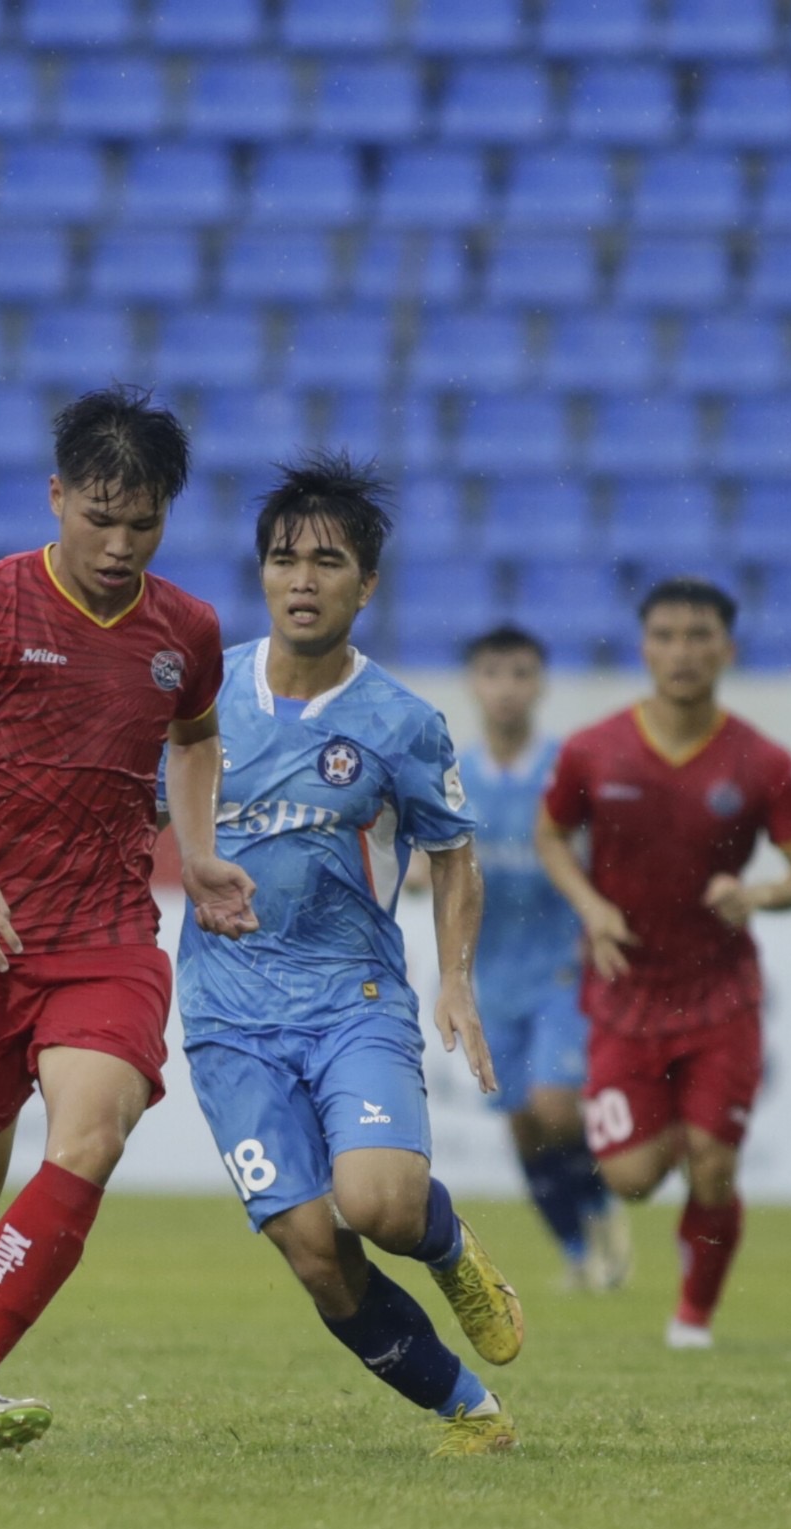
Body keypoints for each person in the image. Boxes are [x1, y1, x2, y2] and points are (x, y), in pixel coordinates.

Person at [0, 386, 257, 1453]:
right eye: (99, 518)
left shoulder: (187, 631)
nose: (120, 546)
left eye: (144, 524)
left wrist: (197, 851)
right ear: (57, 494)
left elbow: (196, 737)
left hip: (107, 933)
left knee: (94, 1130)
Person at [177, 452, 525, 1457]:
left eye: (327, 561)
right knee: (315, 1254)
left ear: (365, 585)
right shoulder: (200, 702)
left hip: (350, 997)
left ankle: (447, 1244)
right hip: (226, 1012)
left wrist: (455, 980)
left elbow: (456, 858)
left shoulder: (401, 724)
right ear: (261, 574)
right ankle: (469, 1411)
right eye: (284, 558)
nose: (302, 578)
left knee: (377, 1204)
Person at [534, 578, 791, 1349]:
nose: (682, 651)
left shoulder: (762, 762)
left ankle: (693, 1314)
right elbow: (549, 837)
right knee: (631, 1179)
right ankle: (684, 1142)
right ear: (645, 647)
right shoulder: (592, 749)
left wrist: (759, 893)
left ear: (727, 649)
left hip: (720, 995)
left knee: (714, 1167)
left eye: (700, 636)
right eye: (666, 635)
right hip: (623, 992)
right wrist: (592, 907)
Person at [457, 625, 630, 1292]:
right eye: (494, 672)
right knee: (524, 1125)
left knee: (557, 1106)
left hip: (563, 969)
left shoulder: (570, 769)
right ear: (475, 683)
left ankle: (599, 1210)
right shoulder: (456, 775)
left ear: (540, 684)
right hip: (490, 977)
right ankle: (577, 1251)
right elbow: (429, 858)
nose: (507, 687)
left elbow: (612, 852)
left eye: (521, 673)